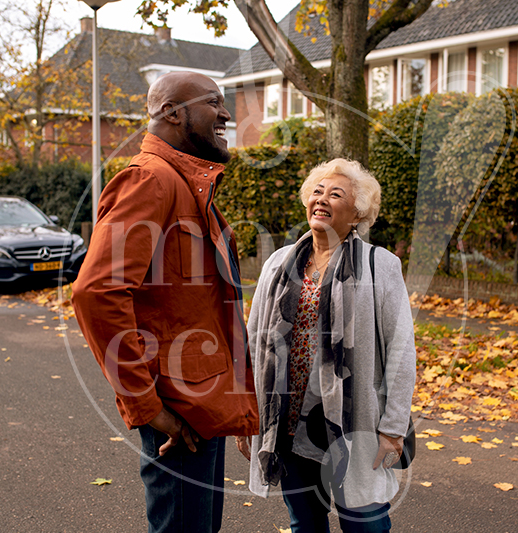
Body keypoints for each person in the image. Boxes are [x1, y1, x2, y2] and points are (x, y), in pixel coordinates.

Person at [72, 72, 258, 533]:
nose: (226, 113)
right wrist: (148, 407)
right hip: (178, 416)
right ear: (173, 113)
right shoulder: (149, 182)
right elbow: (97, 293)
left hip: (202, 407)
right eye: (214, 102)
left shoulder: (187, 186)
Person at [237, 158, 416, 532]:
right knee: (305, 523)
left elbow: (401, 348)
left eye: (335, 194)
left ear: (356, 214)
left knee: (364, 522)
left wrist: (393, 427)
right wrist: (247, 417)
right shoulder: (277, 263)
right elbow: (253, 343)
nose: (322, 199)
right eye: (316, 191)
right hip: (287, 421)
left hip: (354, 424)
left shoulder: (378, 265)